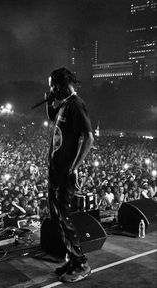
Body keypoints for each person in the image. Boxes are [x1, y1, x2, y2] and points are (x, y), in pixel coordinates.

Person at [45, 67, 94, 282]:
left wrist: (74, 168)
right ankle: (72, 260)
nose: (52, 90)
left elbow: (89, 137)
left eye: (52, 87)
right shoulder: (64, 105)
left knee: (64, 217)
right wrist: (49, 102)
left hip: (65, 172)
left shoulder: (76, 104)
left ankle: (80, 263)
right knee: (57, 216)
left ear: (60, 84)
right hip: (56, 170)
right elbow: (52, 117)